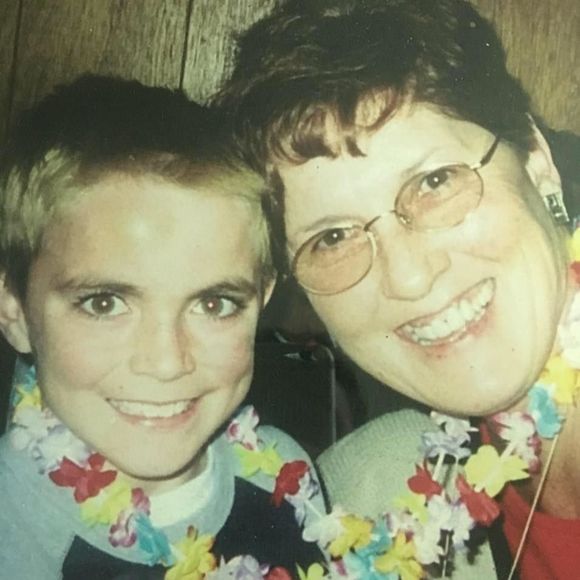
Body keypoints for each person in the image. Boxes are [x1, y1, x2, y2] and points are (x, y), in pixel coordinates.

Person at [220, 0, 580, 578]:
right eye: (333, 238)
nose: (410, 279)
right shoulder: (376, 487)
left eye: (434, 182)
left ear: (537, 163)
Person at [0, 75, 327, 579]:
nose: (167, 362)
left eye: (214, 303)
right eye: (105, 303)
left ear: (262, 301)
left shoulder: (284, 474)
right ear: (15, 310)